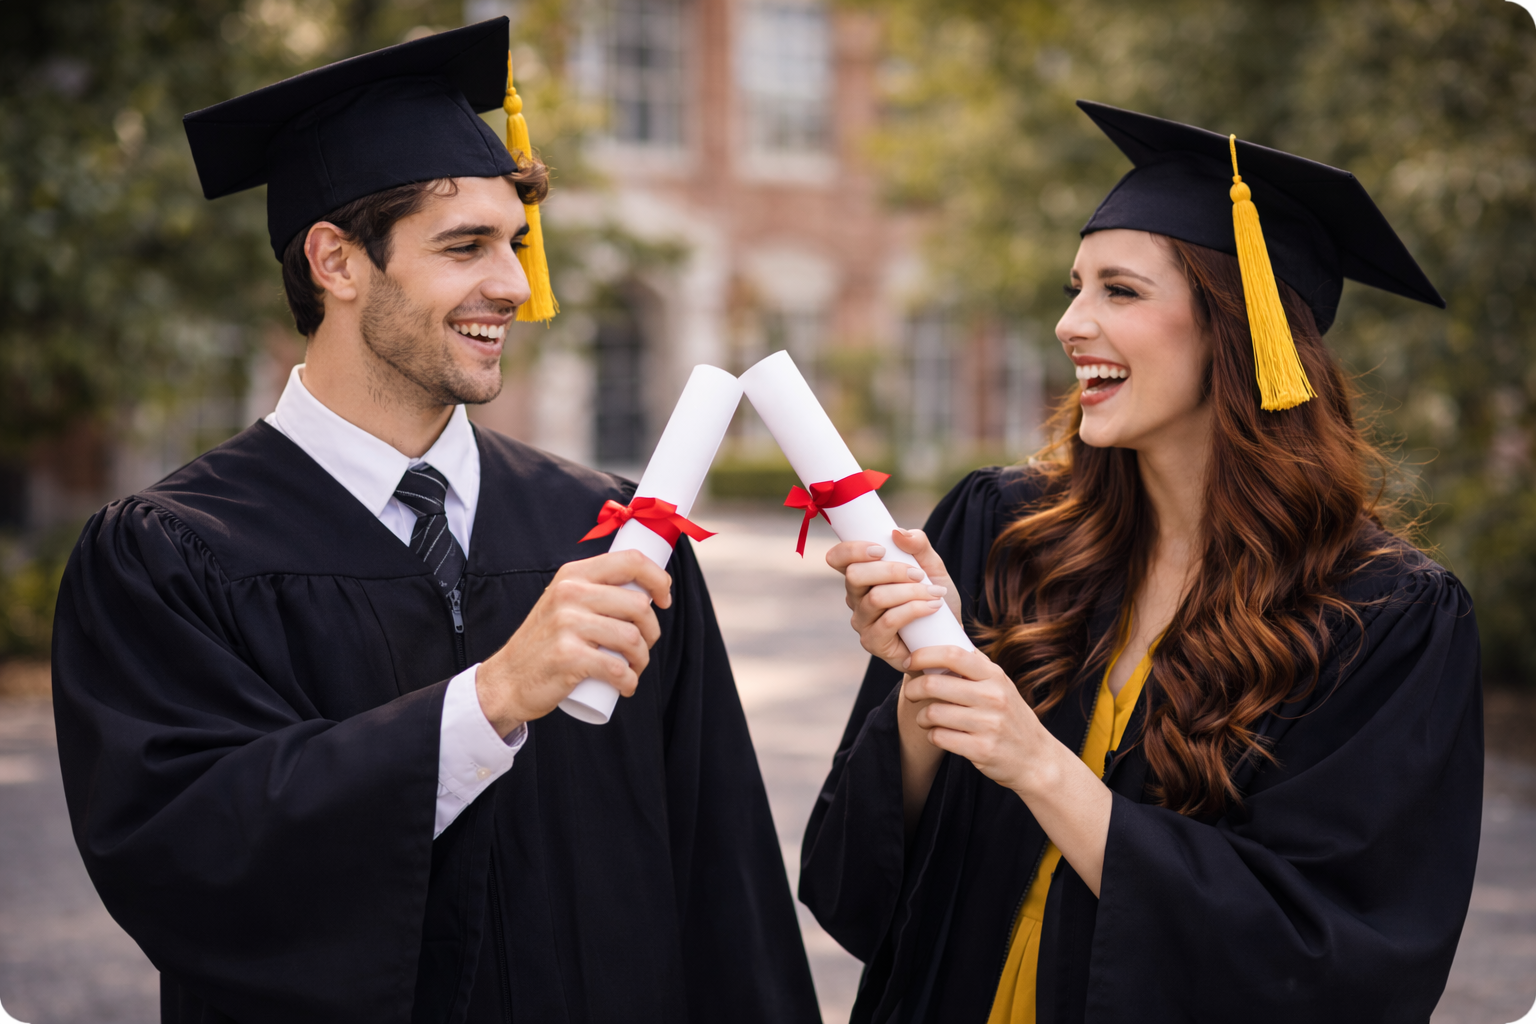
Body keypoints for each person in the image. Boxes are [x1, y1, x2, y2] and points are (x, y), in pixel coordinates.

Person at [51, 19, 819, 1024]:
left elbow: (724, 883)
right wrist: (490, 698)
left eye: (516, 242)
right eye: (465, 247)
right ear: (336, 260)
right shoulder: (172, 556)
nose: (510, 283)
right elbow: (183, 856)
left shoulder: (611, 530)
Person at [799, 100, 1482, 1023]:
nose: (1070, 323)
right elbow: (858, 884)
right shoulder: (1005, 532)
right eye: (1075, 286)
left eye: (1120, 291)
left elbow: (1335, 958)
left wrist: (1037, 763)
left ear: (1240, 332)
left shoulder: (1380, 616)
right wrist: (927, 694)